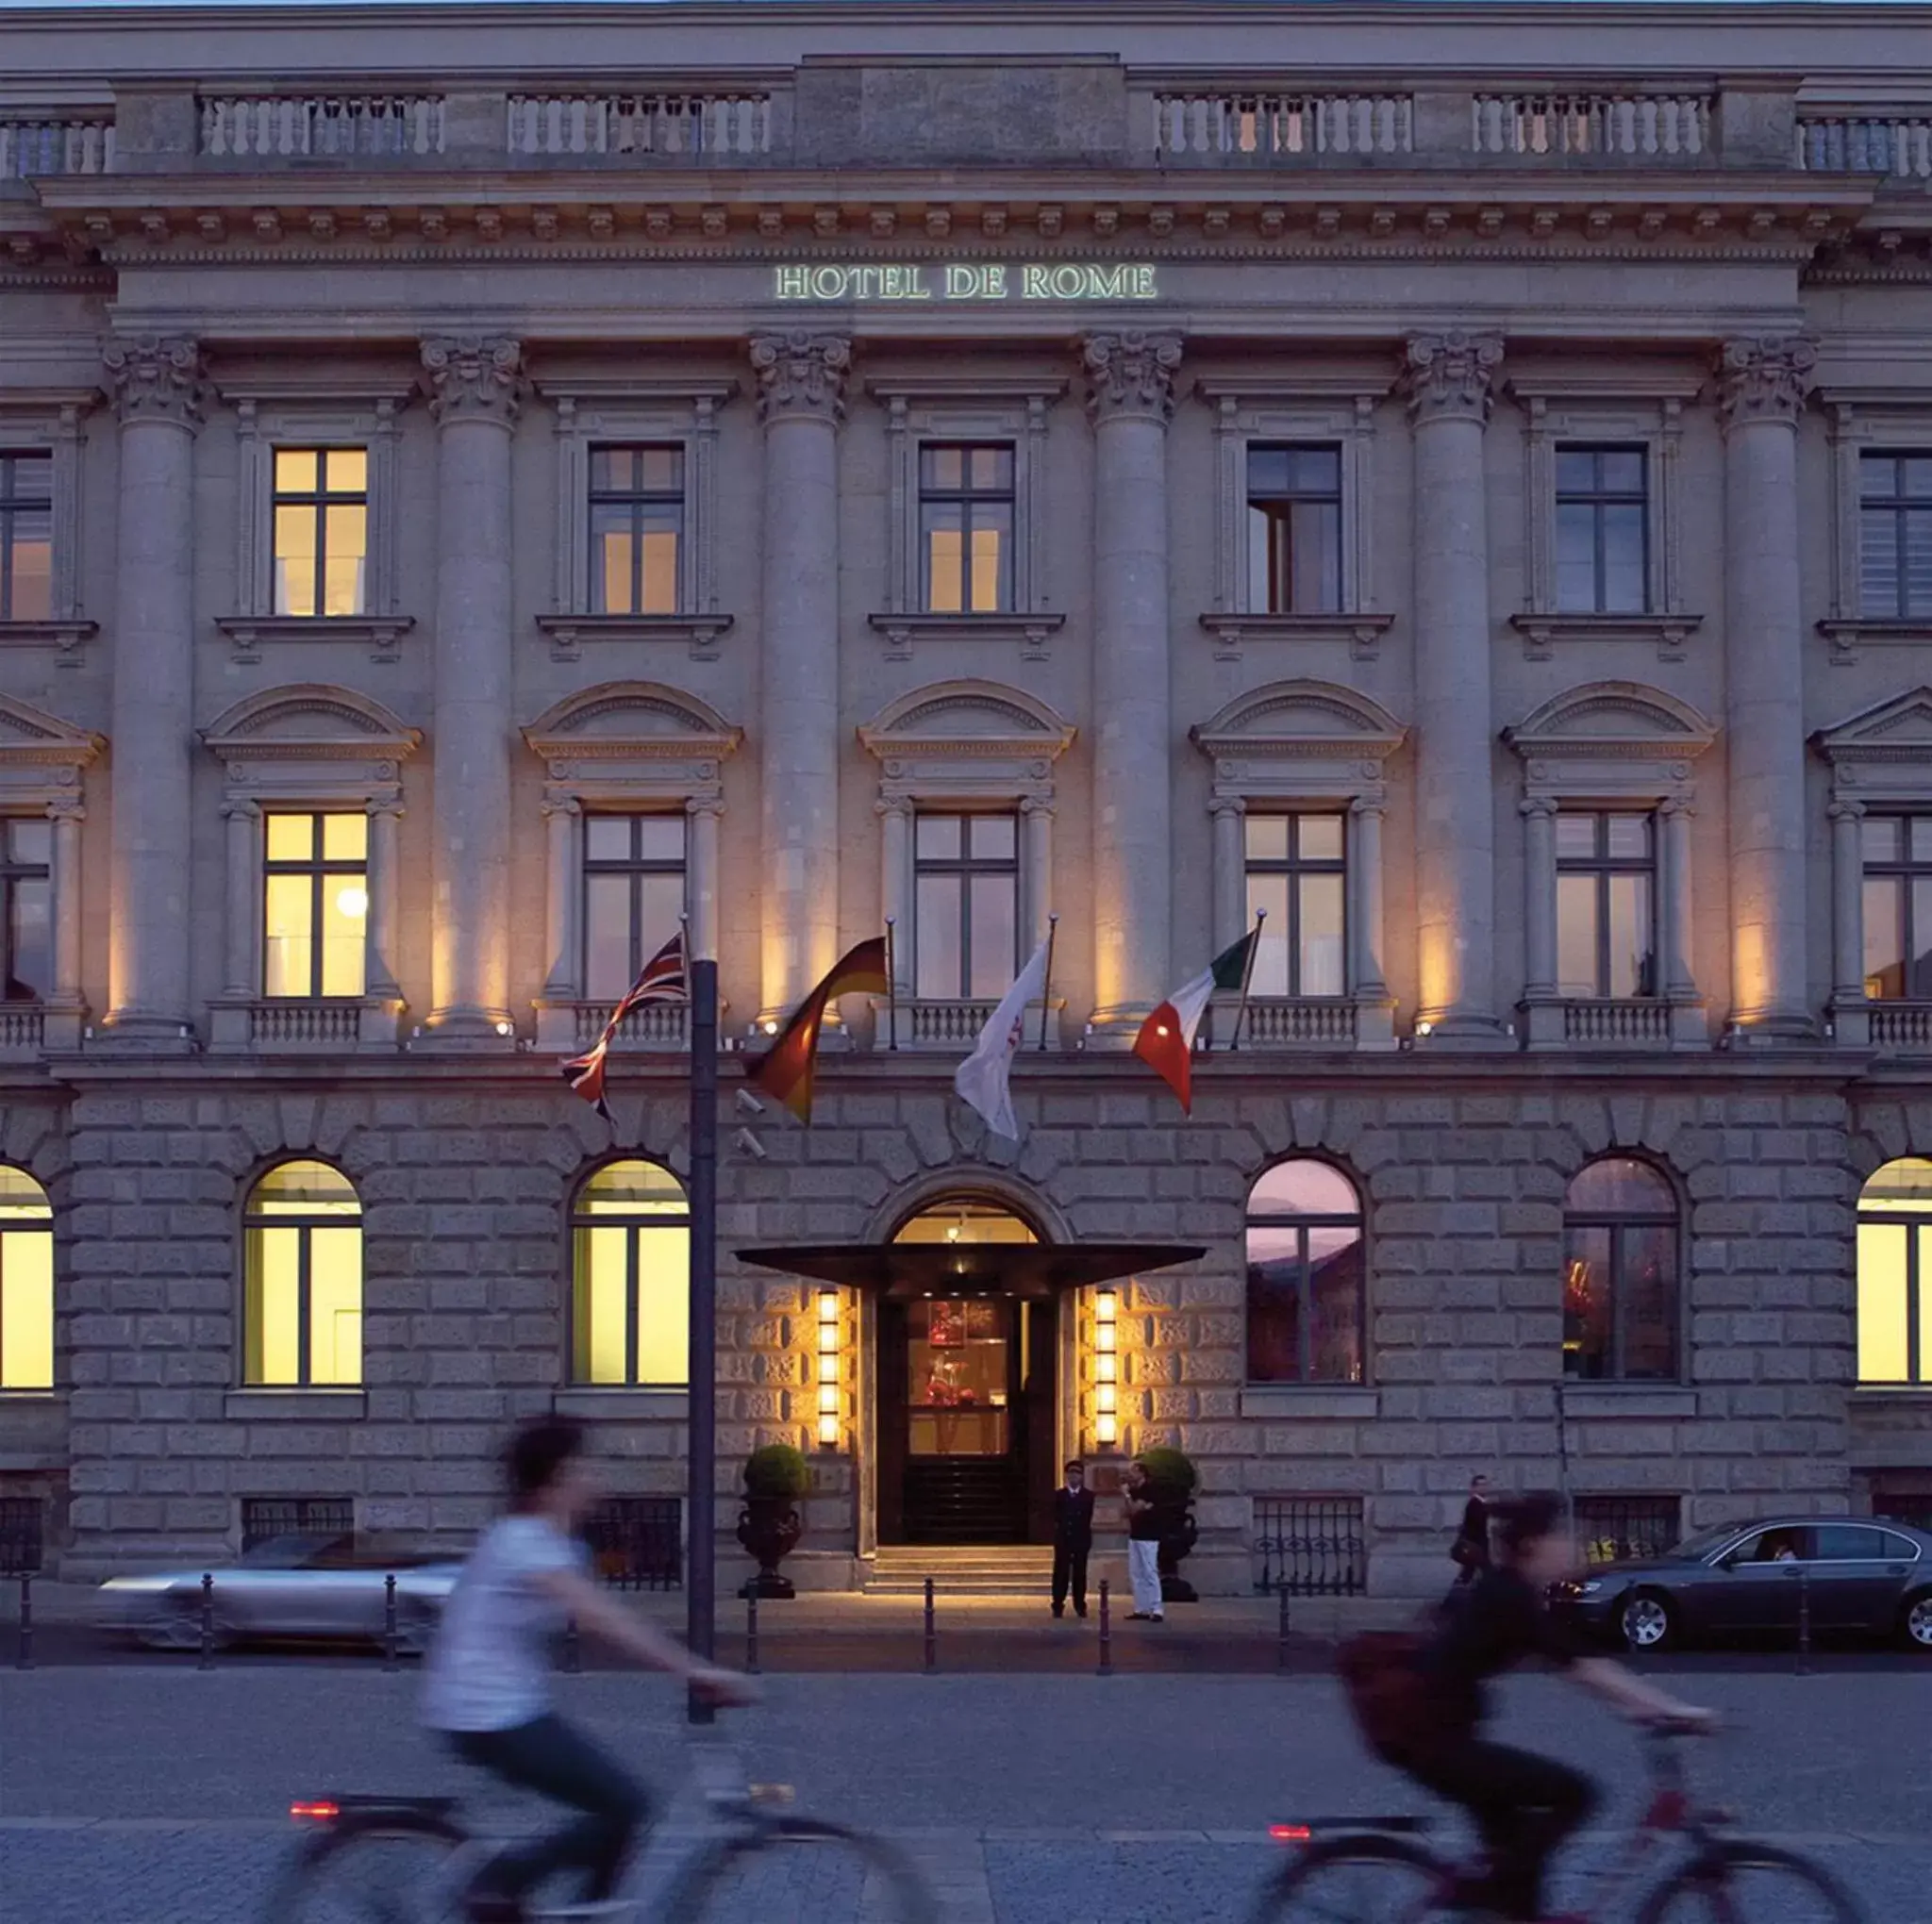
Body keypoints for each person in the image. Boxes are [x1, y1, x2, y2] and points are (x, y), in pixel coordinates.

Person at [421, 1416, 754, 1924]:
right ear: (554, 1480)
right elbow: (602, 1619)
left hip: (505, 1706)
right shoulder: (524, 1543)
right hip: (485, 1713)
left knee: (614, 1807)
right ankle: (497, 1883)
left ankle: (580, 1911)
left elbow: (600, 1616)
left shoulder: (554, 1544)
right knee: (626, 1804)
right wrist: (695, 1672)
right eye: (582, 1468)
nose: (593, 1479)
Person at [1372, 1492, 1714, 1924]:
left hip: (1436, 1736)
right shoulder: (1509, 1596)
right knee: (1574, 1794)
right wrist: (1675, 1710)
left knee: (1518, 1856)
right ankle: (1488, 1893)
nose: (1571, 1545)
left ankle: (1506, 1904)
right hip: (1435, 1742)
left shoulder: (1509, 1591)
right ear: (1533, 1545)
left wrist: (1639, 1707)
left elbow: (1579, 1663)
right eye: (1561, 1535)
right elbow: (1584, 1667)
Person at [1051, 1458, 1095, 1618]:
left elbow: (1087, 1517)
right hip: (1063, 1539)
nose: (1073, 1476)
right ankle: (1057, 1603)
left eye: (1077, 1473)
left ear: (1082, 1476)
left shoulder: (1088, 1496)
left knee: (1079, 1573)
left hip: (1080, 1539)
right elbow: (1056, 1516)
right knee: (1060, 1573)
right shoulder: (1059, 1495)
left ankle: (1079, 1604)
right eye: (1070, 1473)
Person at [1122, 1458, 1164, 1623]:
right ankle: (1141, 1608)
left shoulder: (1149, 1489)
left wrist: (1126, 1495)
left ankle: (1157, 1608)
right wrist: (1128, 1497)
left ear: (1141, 1471)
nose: (1130, 1474)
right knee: (1136, 1572)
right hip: (1135, 1534)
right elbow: (1127, 1512)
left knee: (1149, 1571)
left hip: (1149, 1535)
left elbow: (1134, 1509)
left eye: (1133, 1470)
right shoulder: (1135, 1490)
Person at [1450, 1472, 1492, 1588]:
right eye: (1480, 1485)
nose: (1483, 1487)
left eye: (1485, 1484)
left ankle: (1459, 1589)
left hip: (1477, 1544)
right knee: (1486, 1571)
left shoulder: (1482, 1503)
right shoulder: (1474, 1504)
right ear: (1474, 1488)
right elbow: (1476, 1525)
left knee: (1469, 1571)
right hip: (1476, 1544)